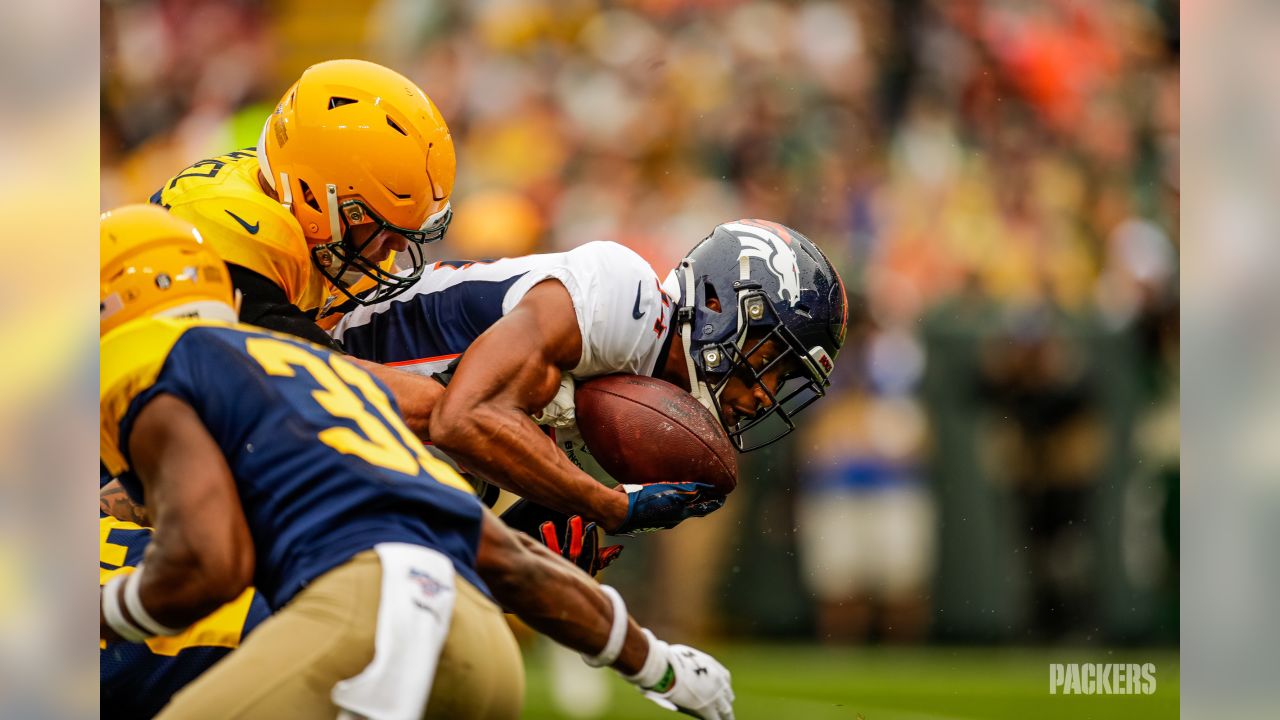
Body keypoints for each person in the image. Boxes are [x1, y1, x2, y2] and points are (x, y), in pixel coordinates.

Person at [98, 204, 735, 719]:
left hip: (366, 633)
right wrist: (665, 668)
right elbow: (510, 562)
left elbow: (210, 562)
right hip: (481, 657)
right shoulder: (344, 393)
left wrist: (102, 609)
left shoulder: (162, 361)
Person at [331, 219, 850, 542]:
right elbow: (461, 418)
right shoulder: (626, 299)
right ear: (720, 305)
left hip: (360, 441)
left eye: (783, 382)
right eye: (771, 360)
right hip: (316, 369)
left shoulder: (635, 382)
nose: (764, 393)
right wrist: (606, 504)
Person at [149, 59, 456, 348]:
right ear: (312, 199)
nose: (399, 248)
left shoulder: (315, 211)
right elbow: (320, 376)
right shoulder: (232, 226)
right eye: (384, 228)